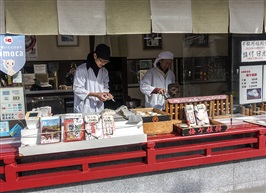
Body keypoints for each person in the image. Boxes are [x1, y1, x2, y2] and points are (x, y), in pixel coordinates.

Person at [73, 44, 114, 113]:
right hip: (84, 108)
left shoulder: (104, 72)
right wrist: (96, 95)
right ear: (95, 56)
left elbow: (105, 86)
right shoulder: (82, 70)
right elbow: (77, 89)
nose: (103, 64)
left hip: (98, 108)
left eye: (106, 62)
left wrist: (106, 94)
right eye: (101, 61)